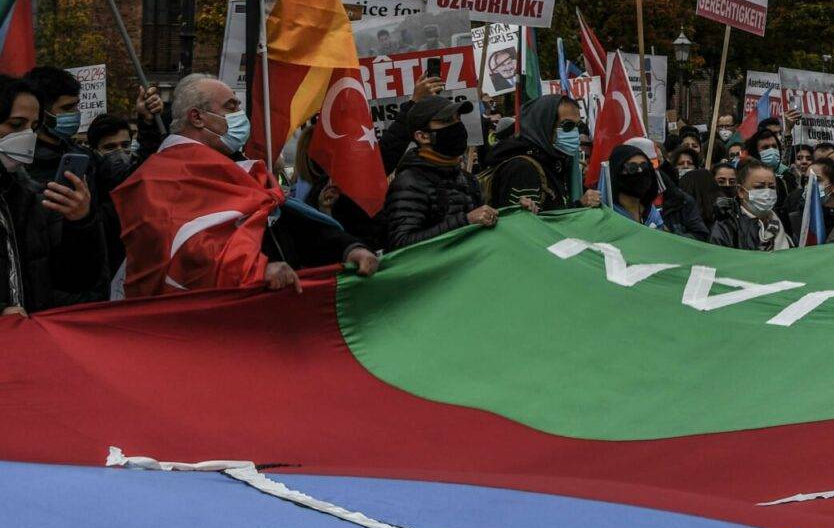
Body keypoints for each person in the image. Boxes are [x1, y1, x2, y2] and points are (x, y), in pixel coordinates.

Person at [113, 74, 375, 297]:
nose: (241, 114)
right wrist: (256, 271)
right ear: (197, 117)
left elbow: (284, 220)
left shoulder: (240, 169)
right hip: (206, 331)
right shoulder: (159, 178)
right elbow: (179, 250)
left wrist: (348, 248)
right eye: (231, 106)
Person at [0, 74, 97, 313]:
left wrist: (80, 222)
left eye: (33, 127)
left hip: (26, 340)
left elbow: (73, 281)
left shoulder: (31, 198)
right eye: (15, 125)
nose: (28, 136)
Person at [382, 97, 497, 249]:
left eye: (457, 118)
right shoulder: (410, 183)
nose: (457, 125)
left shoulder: (466, 178)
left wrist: (515, 213)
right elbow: (401, 243)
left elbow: (483, 219)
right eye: (447, 121)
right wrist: (465, 221)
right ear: (423, 136)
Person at [481, 94, 593, 212]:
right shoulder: (522, 169)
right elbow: (527, 226)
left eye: (578, 126)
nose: (574, 132)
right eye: (568, 125)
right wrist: (579, 205)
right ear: (545, 124)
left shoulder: (555, 162)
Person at [710, 160, 794, 249]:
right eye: (759, 187)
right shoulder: (727, 228)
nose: (767, 192)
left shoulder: (783, 221)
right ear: (741, 191)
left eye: (772, 187)